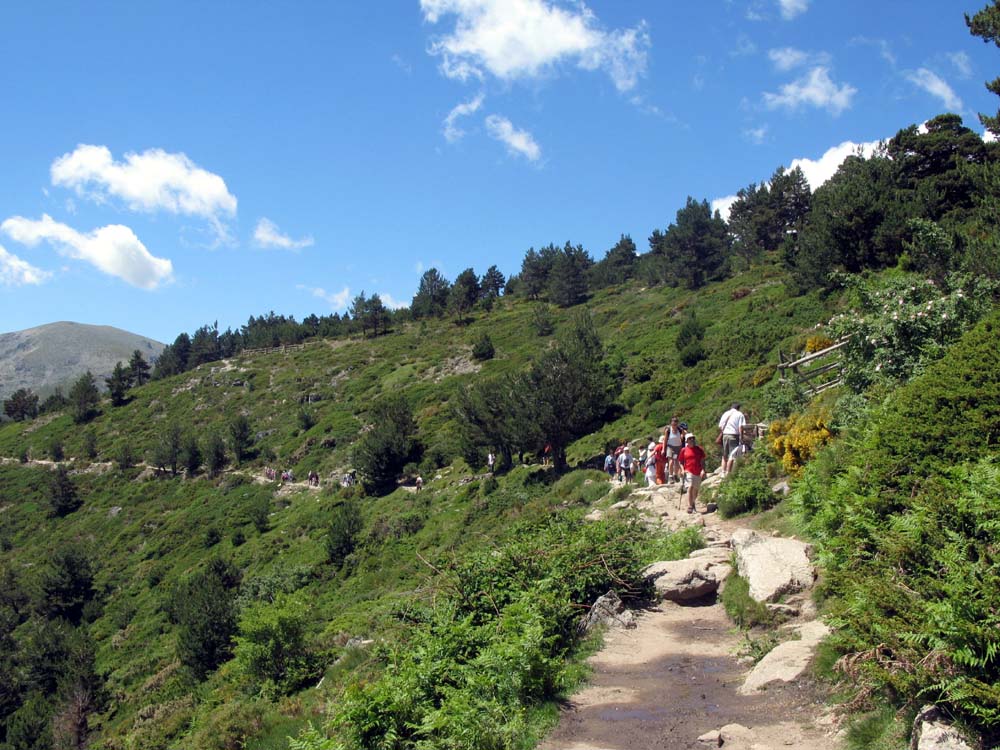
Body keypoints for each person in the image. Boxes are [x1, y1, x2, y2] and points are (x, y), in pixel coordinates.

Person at [677, 433, 707, 514]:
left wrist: (703, 470)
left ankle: (693, 503)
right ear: (687, 441)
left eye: (693, 438)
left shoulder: (699, 449)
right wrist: (682, 470)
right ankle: (690, 506)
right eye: (690, 438)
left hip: (698, 472)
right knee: (690, 487)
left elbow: (702, 460)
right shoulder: (684, 450)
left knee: (696, 491)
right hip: (688, 471)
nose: (692, 440)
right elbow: (680, 461)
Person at [717, 402, 746, 476]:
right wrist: (741, 437)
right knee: (732, 455)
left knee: (725, 454)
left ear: (731, 407)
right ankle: (728, 473)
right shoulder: (740, 414)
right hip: (734, 436)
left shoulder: (725, 413)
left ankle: (723, 472)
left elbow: (720, 426)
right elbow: (741, 427)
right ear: (738, 408)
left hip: (725, 435)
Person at [664, 417, 686, 482]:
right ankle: (670, 476)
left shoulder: (680, 430)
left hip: (678, 447)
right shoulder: (668, 430)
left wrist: (682, 435)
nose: (674, 424)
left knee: (676, 462)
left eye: (676, 423)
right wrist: (663, 449)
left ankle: (675, 475)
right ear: (671, 423)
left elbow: (683, 437)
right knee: (671, 461)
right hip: (670, 447)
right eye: (673, 423)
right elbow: (665, 440)